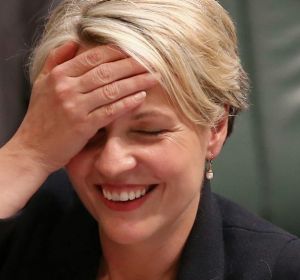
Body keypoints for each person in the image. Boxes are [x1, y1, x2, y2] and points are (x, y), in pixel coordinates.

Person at [0, 0, 299, 279]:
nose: (112, 163)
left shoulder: (281, 268)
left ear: (216, 128)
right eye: (89, 133)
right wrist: (27, 153)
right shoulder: (32, 223)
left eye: (149, 132)